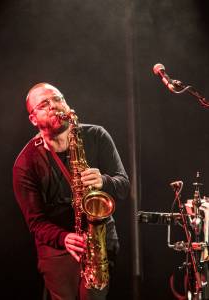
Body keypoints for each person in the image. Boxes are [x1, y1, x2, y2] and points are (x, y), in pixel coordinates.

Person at [13, 83, 130, 300]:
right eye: (44, 104)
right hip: (57, 248)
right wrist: (64, 238)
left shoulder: (96, 135)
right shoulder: (25, 163)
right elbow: (35, 223)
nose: (55, 106)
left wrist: (103, 181)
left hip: (99, 239)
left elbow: (123, 186)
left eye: (58, 99)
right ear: (33, 119)